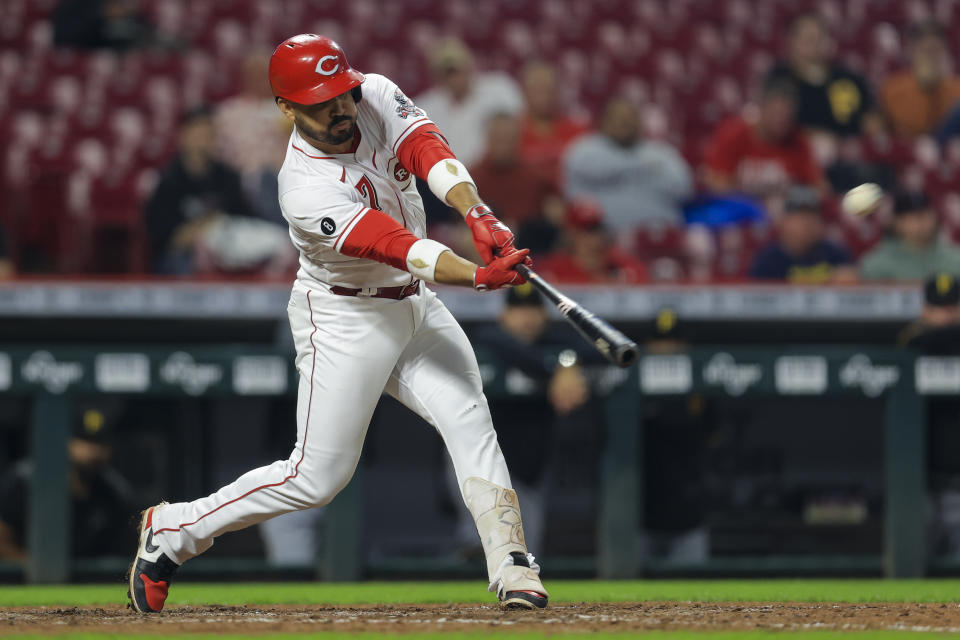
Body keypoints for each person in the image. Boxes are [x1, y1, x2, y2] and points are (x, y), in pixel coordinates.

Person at [128, 34, 548, 614]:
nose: (340, 107)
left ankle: (511, 564)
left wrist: (476, 212)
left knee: (470, 420)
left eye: (341, 91)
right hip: (345, 315)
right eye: (321, 100)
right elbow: (397, 245)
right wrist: (477, 277)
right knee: (317, 476)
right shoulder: (302, 187)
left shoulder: (372, 93)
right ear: (286, 108)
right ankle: (175, 529)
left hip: (415, 305)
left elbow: (428, 149)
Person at [459, 284, 593, 558]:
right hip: (480, 461)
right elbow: (508, 348)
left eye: (533, 309)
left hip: (531, 469)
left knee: (526, 552)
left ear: (545, 316)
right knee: (480, 540)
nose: (527, 317)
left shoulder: (557, 342)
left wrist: (567, 363)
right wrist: (557, 365)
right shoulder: (489, 340)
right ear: (503, 315)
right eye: (518, 310)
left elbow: (588, 349)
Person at [0, 404, 135, 562]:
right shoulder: (22, 482)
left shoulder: (114, 492)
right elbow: (3, 540)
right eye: (84, 441)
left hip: (92, 582)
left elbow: (120, 551)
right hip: (24, 581)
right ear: (65, 442)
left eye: (100, 443)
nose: (93, 451)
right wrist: (39, 570)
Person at [143, 107, 265, 274]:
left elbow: (247, 220)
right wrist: (204, 226)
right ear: (183, 137)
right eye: (199, 134)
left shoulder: (228, 177)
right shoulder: (168, 181)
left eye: (209, 134)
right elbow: (163, 238)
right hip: (182, 258)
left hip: (226, 252)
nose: (204, 140)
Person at [563, 97, 693, 231]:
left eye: (630, 117)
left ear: (639, 122)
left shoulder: (663, 153)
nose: (624, 122)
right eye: (617, 117)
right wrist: (646, 167)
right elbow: (573, 195)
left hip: (660, 233)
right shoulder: (584, 149)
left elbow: (683, 190)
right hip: (601, 237)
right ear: (603, 122)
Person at [704, 78, 826, 199]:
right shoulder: (733, 134)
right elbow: (714, 182)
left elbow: (820, 189)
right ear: (762, 109)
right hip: (739, 212)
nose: (781, 121)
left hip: (784, 213)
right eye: (775, 114)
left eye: (787, 116)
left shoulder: (798, 142)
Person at [415, 38, 524, 167]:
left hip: (493, 172)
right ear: (438, 76)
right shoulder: (425, 107)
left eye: (456, 70)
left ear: (469, 66)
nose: (454, 78)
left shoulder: (498, 88)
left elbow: (522, 125)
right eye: (447, 73)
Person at [214, 51, 292, 226]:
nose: (259, 79)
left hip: (282, 185)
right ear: (244, 77)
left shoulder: (292, 110)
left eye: (265, 73)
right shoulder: (228, 112)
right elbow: (219, 156)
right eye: (253, 74)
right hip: (240, 185)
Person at [765, 12, 874, 138]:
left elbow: (871, 120)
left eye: (819, 39)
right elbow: (773, 124)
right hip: (798, 151)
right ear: (791, 43)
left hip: (849, 150)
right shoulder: (779, 79)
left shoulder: (848, 78)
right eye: (807, 40)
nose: (814, 47)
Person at [469, 113, 559, 246]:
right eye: (498, 139)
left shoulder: (534, 176)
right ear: (488, 140)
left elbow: (554, 207)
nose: (503, 145)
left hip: (527, 242)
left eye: (508, 139)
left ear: (518, 141)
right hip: (485, 243)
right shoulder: (471, 177)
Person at [749, 186, 856, 283]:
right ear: (784, 222)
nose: (808, 223)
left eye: (813, 216)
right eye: (801, 217)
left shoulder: (835, 254)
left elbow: (851, 282)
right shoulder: (768, 260)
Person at [536, 200, 647, 284]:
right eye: (584, 230)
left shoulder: (622, 265)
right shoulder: (552, 269)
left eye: (595, 229)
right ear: (570, 234)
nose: (592, 238)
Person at [881, 20, 960, 139]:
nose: (932, 58)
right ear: (912, 51)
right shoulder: (893, 89)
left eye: (936, 51)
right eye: (926, 51)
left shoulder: (956, 89)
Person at [861, 189, 960, 281]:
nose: (922, 224)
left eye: (926, 216)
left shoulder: (954, 258)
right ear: (897, 223)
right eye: (913, 218)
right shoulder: (878, 264)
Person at [518, 61, 590, 184]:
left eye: (549, 88)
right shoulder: (513, 135)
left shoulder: (579, 133)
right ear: (525, 92)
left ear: (558, 91)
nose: (544, 95)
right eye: (537, 89)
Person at [899, 273, 960, 353]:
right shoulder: (913, 333)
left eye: (950, 310)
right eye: (936, 310)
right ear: (926, 309)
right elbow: (909, 342)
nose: (944, 315)